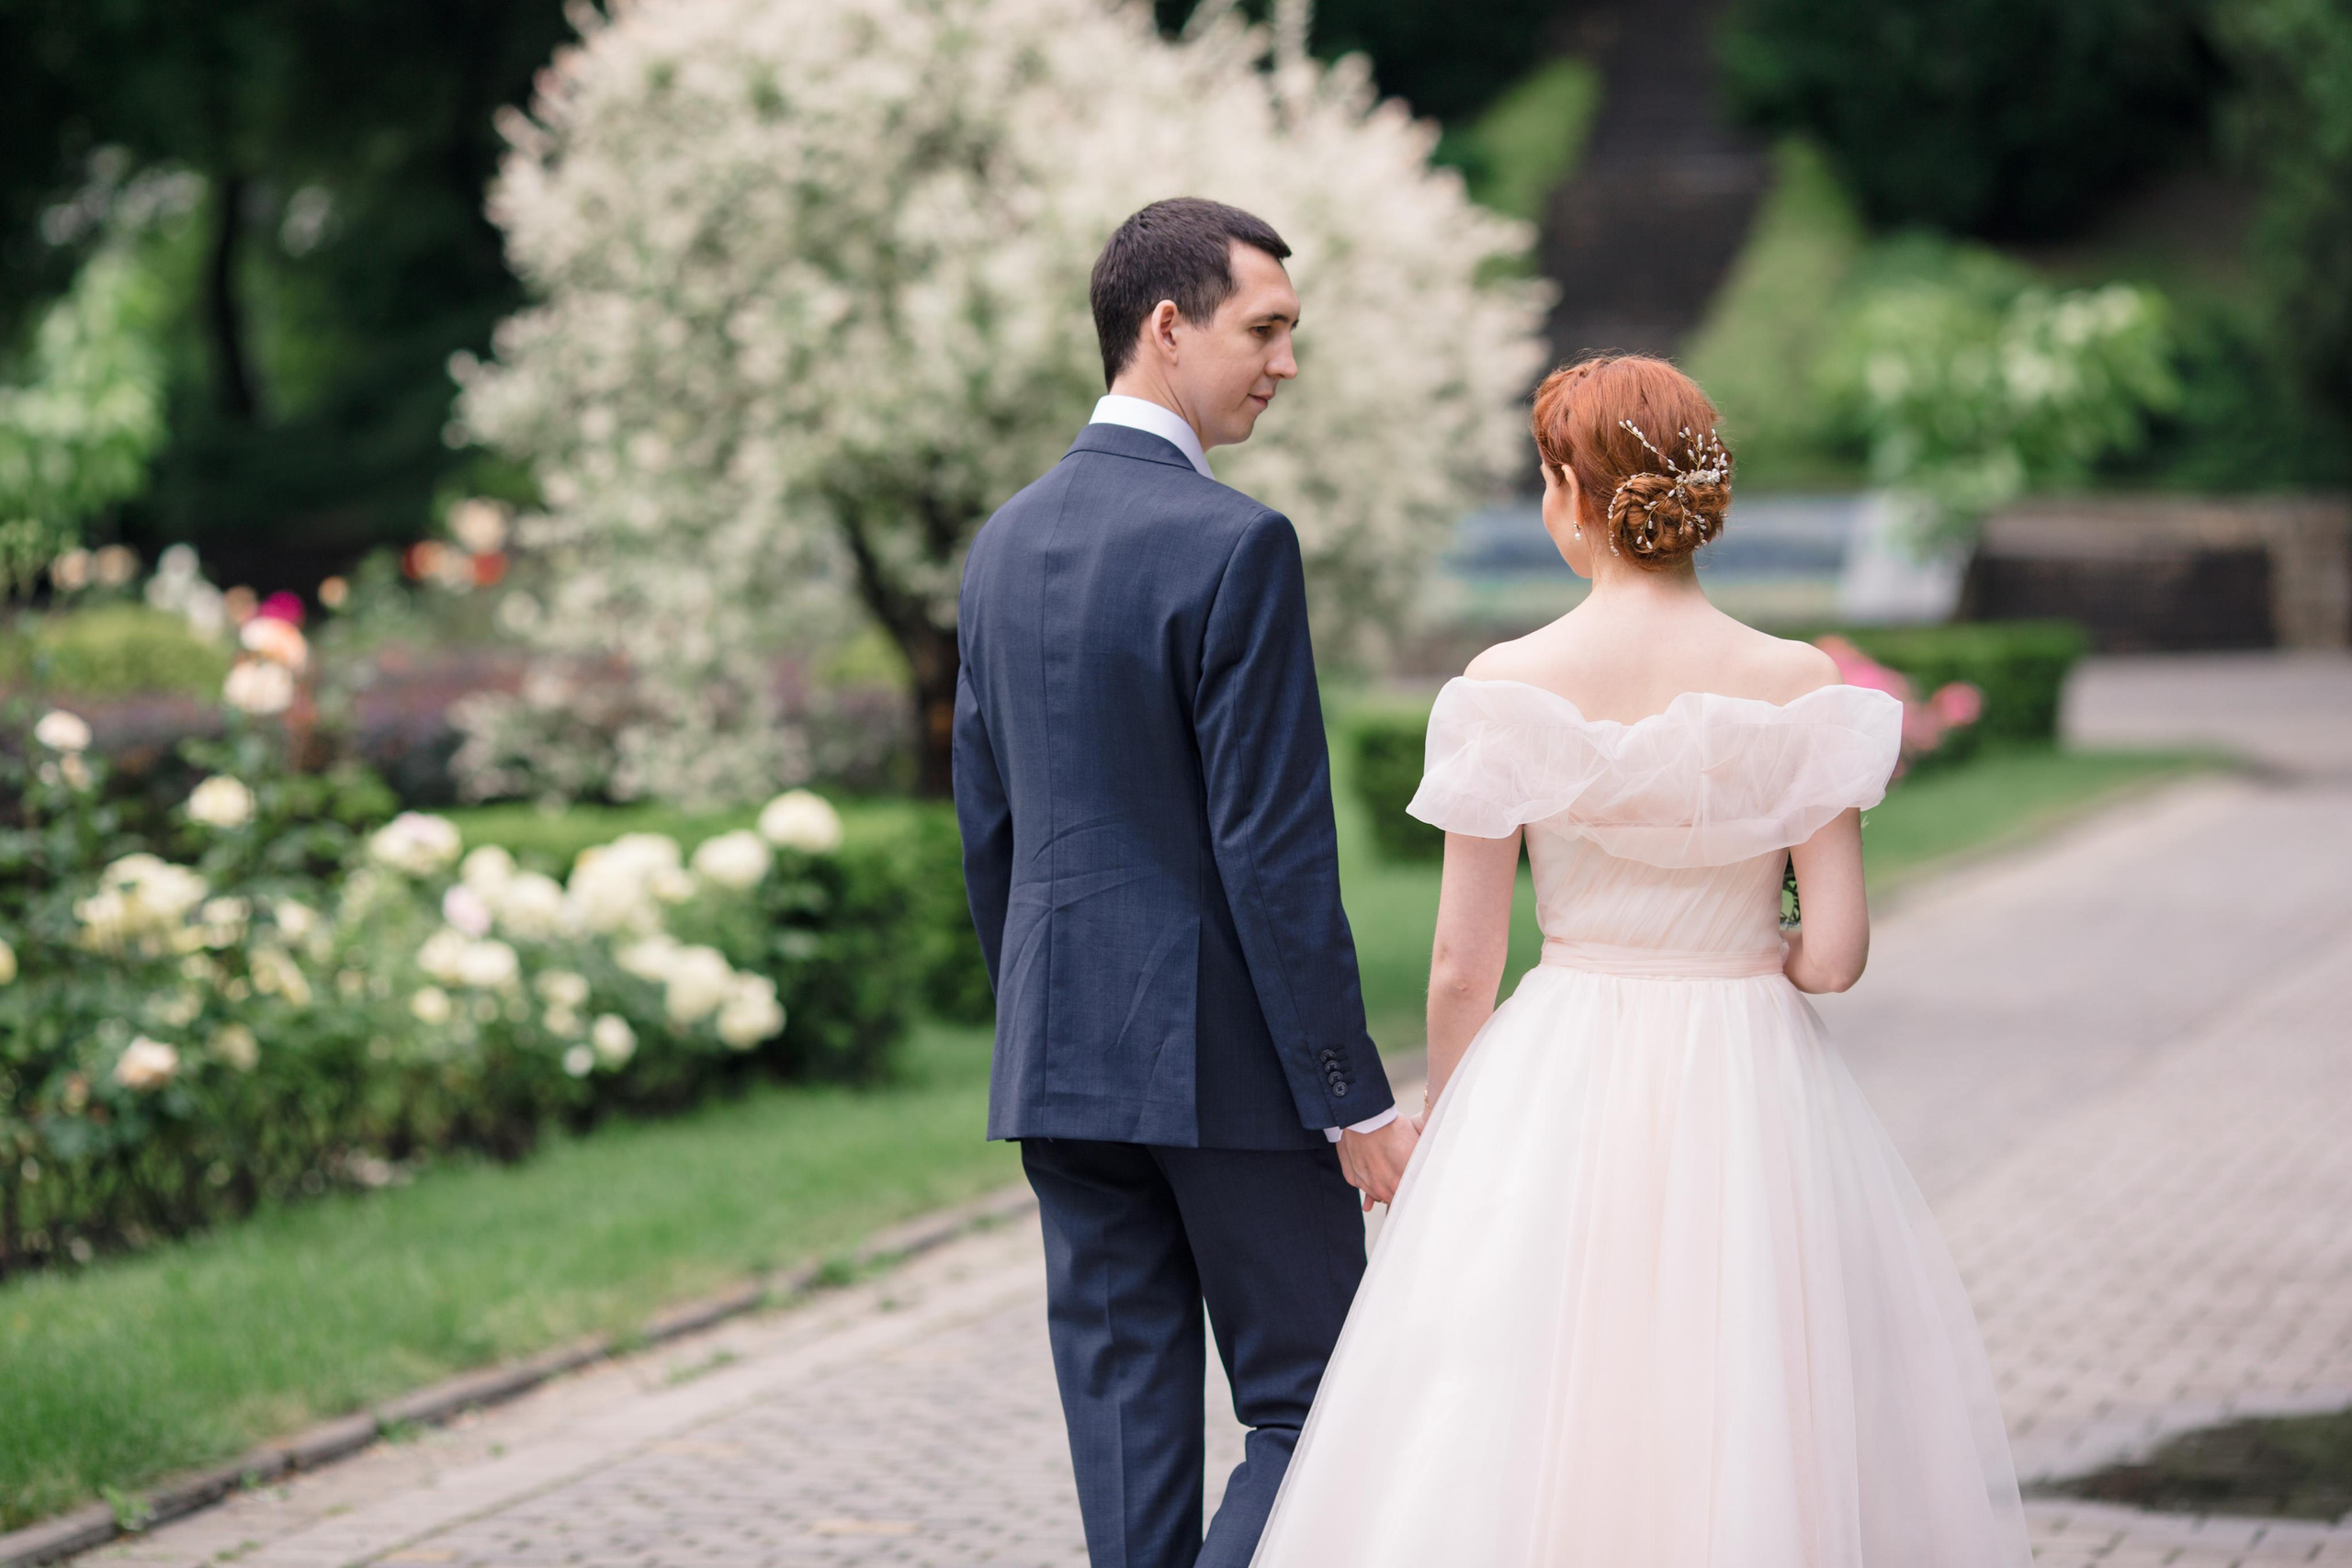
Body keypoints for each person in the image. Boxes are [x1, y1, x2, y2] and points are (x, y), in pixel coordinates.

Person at [1249, 355, 2034, 1566]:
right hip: (1750, 1070)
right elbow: (1835, 955)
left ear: (1571, 491)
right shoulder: (1800, 684)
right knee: (1748, 1374)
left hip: (1562, 1061)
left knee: (1536, 1379)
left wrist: (1451, 1127)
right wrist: (1756, 944)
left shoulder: (1505, 686)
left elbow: (1463, 962)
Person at [953, 197, 1421, 1568]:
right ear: (1168, 325)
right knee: (1325, 1402)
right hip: (1222, 1069)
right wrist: (1355, 1101)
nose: (1285, 363)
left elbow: (990, 834)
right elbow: (1274, 855)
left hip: (1059, 1060)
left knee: (1125, 1436)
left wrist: (1042, 1015)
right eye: (1264, 329)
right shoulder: (1234, 545)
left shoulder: (1000, 546)